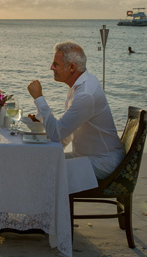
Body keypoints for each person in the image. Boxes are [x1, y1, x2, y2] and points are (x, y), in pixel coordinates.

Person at [27, 41, 124, 182]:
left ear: (72, 67)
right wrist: (50, 150)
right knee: (37, 163)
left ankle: (50, 204)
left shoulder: (86, 94)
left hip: (103, 162)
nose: (51, 67)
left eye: (56, 64)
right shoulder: (81, 86)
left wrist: (39, 98)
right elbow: (66, 132)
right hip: (86, 157)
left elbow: (57, 134)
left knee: (43, 172)